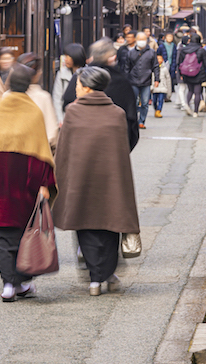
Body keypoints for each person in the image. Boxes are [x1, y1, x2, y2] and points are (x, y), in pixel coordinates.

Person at [53, 66, 140, 297]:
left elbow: (63, 151)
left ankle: (95, 279)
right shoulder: (117, 114)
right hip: (112, 181)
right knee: (110, 227)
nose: (77, 88)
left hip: (81, 180)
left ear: (88, 87)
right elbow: (123, 147)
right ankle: (107, 274)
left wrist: (59, 178)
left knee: (85, 226)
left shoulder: (73, 112)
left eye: (79, 84)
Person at [0, 65, 56, 302]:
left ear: (8, 83)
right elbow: (41, 152)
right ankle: (19, 283)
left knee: (0, 230)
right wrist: (45, 182)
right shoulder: (32, 111)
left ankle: (8, 284)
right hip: (25, 181)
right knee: (23, 230)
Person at [63, 38, 140, 151]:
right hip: (114, 145)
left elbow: (67, 101)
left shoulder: (80, 76)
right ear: (112, 57)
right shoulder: (121, 82)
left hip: (80, 144)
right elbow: (131, 119)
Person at [17, 52, 59, 152]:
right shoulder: (43, 98)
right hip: (38, 154)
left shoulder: (7, 96)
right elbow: (52, 134)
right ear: (37, 73)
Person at [125, 31, 160, 129]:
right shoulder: (131, 53)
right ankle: (134, 120)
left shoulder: (151, 52)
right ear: (136, 40)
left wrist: (157, 79)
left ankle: (142, 121)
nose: (141, 41)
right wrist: (125, 81)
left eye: (143, 39)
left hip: (146, 80)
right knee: (134, 102)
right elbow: (127, 68)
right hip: (133, 80)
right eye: (139, 39)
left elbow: (156, 66)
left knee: (145, 102)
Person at [52, 43, 86, 125]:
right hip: (66, 117)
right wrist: (60, 119)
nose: (65, 59)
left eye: (68, 56)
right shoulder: (61, 74)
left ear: (76, 57)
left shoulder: (88, 74)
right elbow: (57, 98)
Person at [177, 34, 206, 117]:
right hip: (198, 73)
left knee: (190, 90)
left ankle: (187, 105)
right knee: (197, 92)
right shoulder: (201, 50)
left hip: (186, 73)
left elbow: (179, 62)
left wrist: (180, 73)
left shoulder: (184, 50)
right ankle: (195, 111)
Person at [158, 33, 178, 102]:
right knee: (164, 81)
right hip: (163, 66)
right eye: (168, 36)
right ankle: (163, 95)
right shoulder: (162, 46)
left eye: (171, 37)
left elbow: (175, 56)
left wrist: (175, 66)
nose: (169, 38)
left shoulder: (174, 46)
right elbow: (158, 55)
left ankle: (168, 95)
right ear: (165, 37)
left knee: (170, 81)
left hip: (172, 65)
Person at [152, 53, 172, 118]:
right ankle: (156, 109)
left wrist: (169, 89)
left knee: (161, 100)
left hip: (163, 87)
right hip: (155, 87)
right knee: (154, 100)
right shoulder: (152, 68)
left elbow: (168, 79)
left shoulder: (165, 69)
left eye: (160, 59)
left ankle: (159, 110)